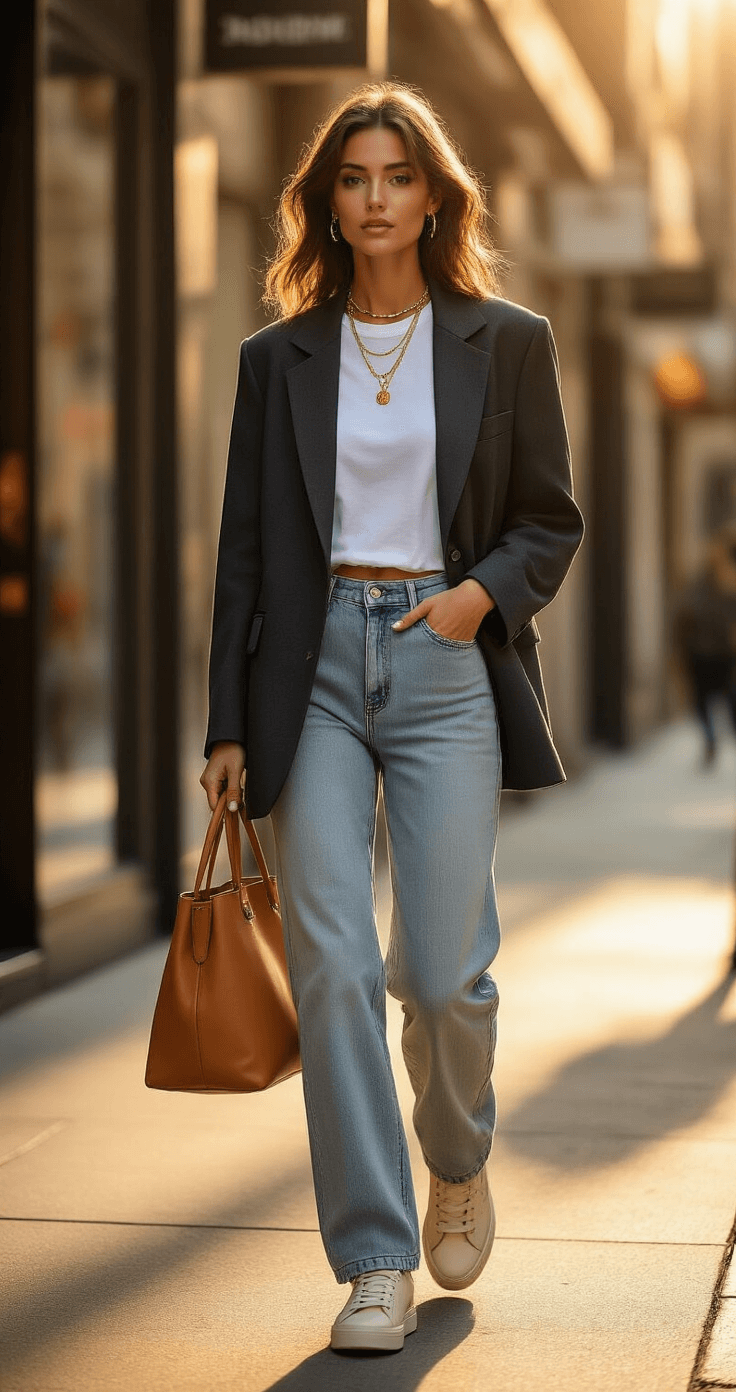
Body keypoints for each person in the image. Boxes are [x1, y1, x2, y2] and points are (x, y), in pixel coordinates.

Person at [200, 82, 584, 1353]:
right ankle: (372, 1258)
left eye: (396, 177)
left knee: (444, 973)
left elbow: (549, 521)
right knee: (335, 964)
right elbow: (244, 555)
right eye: (352, 178)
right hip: (305, 673)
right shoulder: (278, 359)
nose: (374, 198)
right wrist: (224, 727)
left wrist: (477, 597)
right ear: (327, 200)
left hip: (440, 657)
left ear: (433, 197)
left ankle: (456, 1157)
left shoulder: (505, 339)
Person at [673, 526, 736, 767]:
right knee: (702, 702)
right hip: (701, 653)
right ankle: (710, 740)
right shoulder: (699, 584)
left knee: (726, 701)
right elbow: (683, 615)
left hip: (719, 653)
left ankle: (713, 739)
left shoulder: (727, 582)